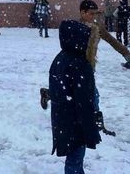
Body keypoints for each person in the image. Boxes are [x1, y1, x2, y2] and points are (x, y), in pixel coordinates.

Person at [40, 0, 130, 111]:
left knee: (75, 91)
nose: (93, 16)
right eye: (91, 13)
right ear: (82, 12)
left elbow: (112, 40)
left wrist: (126, 53)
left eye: (95, 13)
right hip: (74, 66)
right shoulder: (75, 27)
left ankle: (48, 93)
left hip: (87, 66)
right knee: (91, 95)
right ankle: (96, 122)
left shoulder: (97, 27)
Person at [49, 20, 101, 174]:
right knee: (75, 159)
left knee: (75, 159)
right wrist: (90, 128)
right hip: (76, 121)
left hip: (63, 119)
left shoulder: (60, 58)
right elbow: (84, 101)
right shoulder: (80, 64)